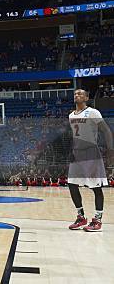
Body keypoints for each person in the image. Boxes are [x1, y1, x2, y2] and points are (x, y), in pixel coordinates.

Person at [67, 89, 113, 232]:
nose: (77, 95)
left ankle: (97, 220)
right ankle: (81, 217)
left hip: (91, 153)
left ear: (87, 97)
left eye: (80, 94)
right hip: (77, 154)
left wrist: (111, 150)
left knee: (95, 187)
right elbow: (76, 136)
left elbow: (106, 131)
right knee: (72, 184)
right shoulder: (71, 115)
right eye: (75, 94)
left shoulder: (93, 112)